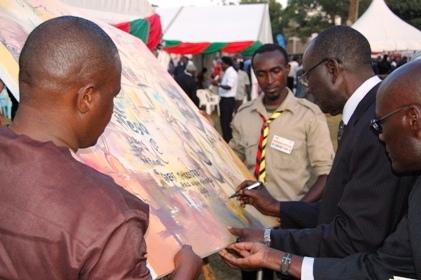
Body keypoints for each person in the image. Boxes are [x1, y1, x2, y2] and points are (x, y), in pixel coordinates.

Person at [0, 16, 202, 279]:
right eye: (113, 95)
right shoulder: (108, 217)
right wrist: (186, 272)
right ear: (87, 98)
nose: (112, 109)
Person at [227, 26, 416, 274]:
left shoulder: (378, 124)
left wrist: (276, 253)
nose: (308, 87)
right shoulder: (365, 114)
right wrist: (277, 212)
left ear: (332, 69)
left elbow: (354, 236)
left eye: (307, 76)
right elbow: (338, 209)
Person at [229, 44, 334, 203]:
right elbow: (232, 162)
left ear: (287, 69)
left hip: (289, 217)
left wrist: (291, 214)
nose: (269, 80)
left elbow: (326, 175)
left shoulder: (309, 116)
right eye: (261, 74)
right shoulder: (243, 115)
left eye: (275, 71)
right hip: (250, 215)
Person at [211, 56, 238, 142]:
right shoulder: (227, 72)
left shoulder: (232, 73)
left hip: (228, 100)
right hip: (224, 99)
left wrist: (218, 84)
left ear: (227, 64)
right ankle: (226, 139)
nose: (221, 66)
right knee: (223, 122)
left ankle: (228, 140)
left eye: (222, 64)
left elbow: (229, 86)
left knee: (226, 122)